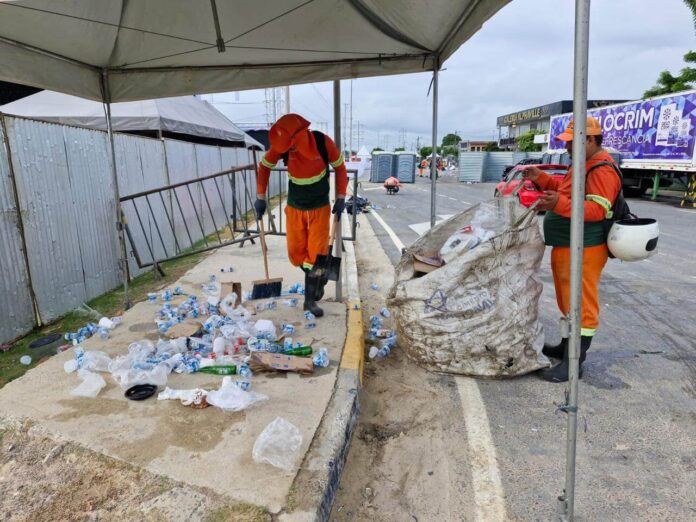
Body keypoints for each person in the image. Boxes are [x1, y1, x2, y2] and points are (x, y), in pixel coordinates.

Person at [522, 116, 621, 383]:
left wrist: (557, 205)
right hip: (568, 246)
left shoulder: (602, 169)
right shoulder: (582, 164)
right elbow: (566, 191)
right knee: (568, 301)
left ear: (589, 140)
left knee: (582, 304)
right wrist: (541, 179)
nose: (567, 148)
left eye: (571, 142)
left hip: (586, 247)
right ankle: (567, 348)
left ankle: (574, 363)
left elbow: (597, 210)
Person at [254, 114, 347, 318]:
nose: (288, 150)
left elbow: (340, 168)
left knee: (315, 254)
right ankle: (318, 279)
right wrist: (260, 196)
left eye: (291, 145)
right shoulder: (284, 148)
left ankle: (309, 299)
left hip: (319, 209)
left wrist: (341, 197)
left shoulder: (323, 143)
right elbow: (264, 167)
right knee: (296, 254)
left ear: (300, 135)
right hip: (295, 208)